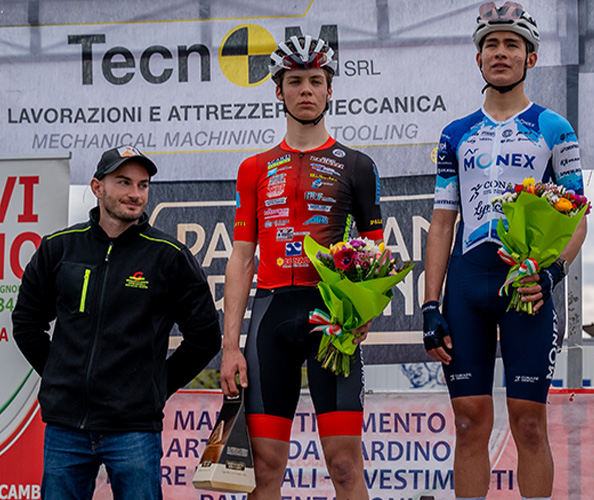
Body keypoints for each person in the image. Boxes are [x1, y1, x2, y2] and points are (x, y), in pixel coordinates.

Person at [422, 2, 587, 498]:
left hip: (527, 287)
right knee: (469, 422)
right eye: (490, 45)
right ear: (478, 58)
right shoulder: (455, 134)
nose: (500, 52)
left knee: (529, 423)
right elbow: (443, 221)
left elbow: (578, 217)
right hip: (467, 285)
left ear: (530, 58)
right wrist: (430, 304)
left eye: (511, 44)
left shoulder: (555, 128)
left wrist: (552, 275)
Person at [219, 34, 383, 500]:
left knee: (345, 466)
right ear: (279, 91)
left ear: (330, 90)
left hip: (332, 317)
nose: (305, 90)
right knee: (265, 467)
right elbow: (242, 258)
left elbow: (375, 251)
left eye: (315, 81)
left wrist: (363, 313)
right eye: (295, 82)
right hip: (271, 314)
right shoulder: (254, 168)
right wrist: (229, 347)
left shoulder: (357, 165)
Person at [12, 146, 221, 499]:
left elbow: (205, 337)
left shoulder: (169, 256)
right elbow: (26, 322)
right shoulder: (58, 247)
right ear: (97, 187)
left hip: (133, 429)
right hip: (66, 428)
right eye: (124, 182)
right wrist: (60, 375)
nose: (135, 194)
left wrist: (155, 387)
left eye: (143, 185)